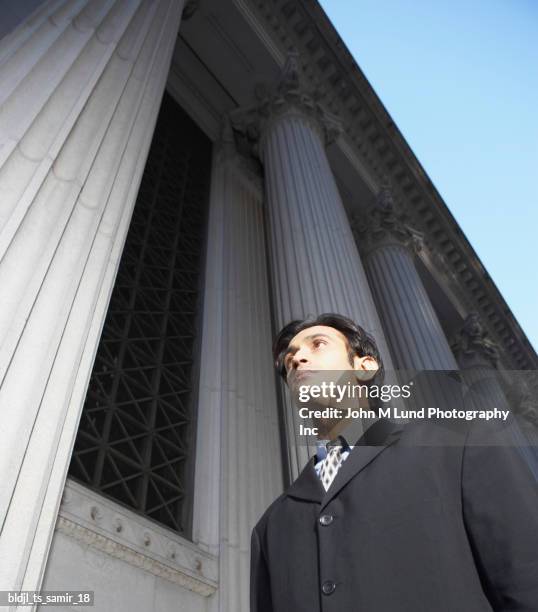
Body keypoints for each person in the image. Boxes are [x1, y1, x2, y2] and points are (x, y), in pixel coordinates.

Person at [250, 313, 538, 612]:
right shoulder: (271, 526)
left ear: (365, 366)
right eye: (289, 360)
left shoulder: (460, 445)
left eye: (317, 344)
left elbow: (527, 580)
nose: (297, 360)